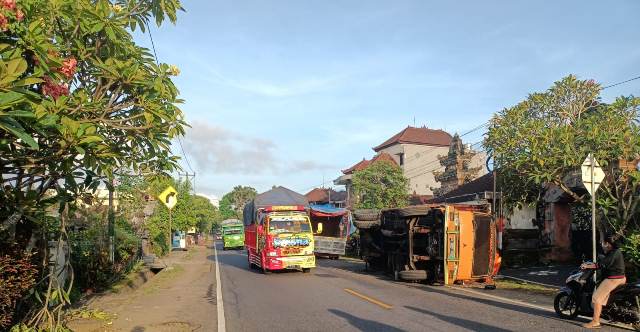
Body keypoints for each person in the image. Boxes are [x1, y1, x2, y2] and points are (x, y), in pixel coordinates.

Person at [581, 234, 626, 329]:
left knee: (596, 298)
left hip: (613, 279)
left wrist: (587, 266)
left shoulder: (614, 252)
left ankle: (595, 321)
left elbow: (602, 265)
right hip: (620, 278)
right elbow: (603, 261)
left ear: (609, 244)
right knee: (605, 298)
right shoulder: (614, 251)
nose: (602, 244)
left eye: (604, 242)